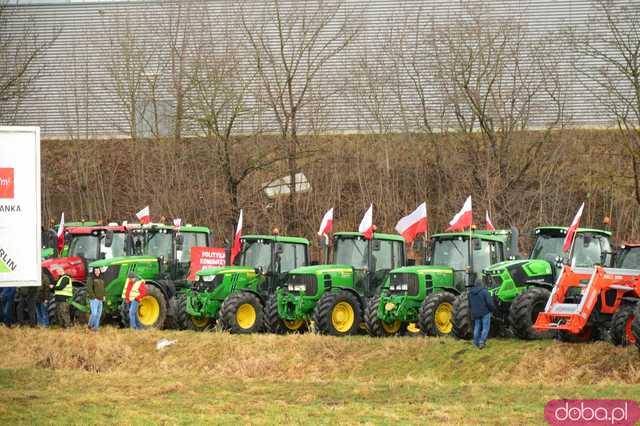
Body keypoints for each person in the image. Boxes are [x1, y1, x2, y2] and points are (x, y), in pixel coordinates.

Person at [468, 278, 496, 349]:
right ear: (481, 284)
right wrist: (493, 310)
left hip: (475, 313)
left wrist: (473, 311)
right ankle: (482, 342)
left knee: (477, 327)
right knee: (485, 328)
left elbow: (470, 304)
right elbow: (489, 303)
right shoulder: (484, 291)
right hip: (485, 312)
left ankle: (475, 343)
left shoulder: (470, 293)